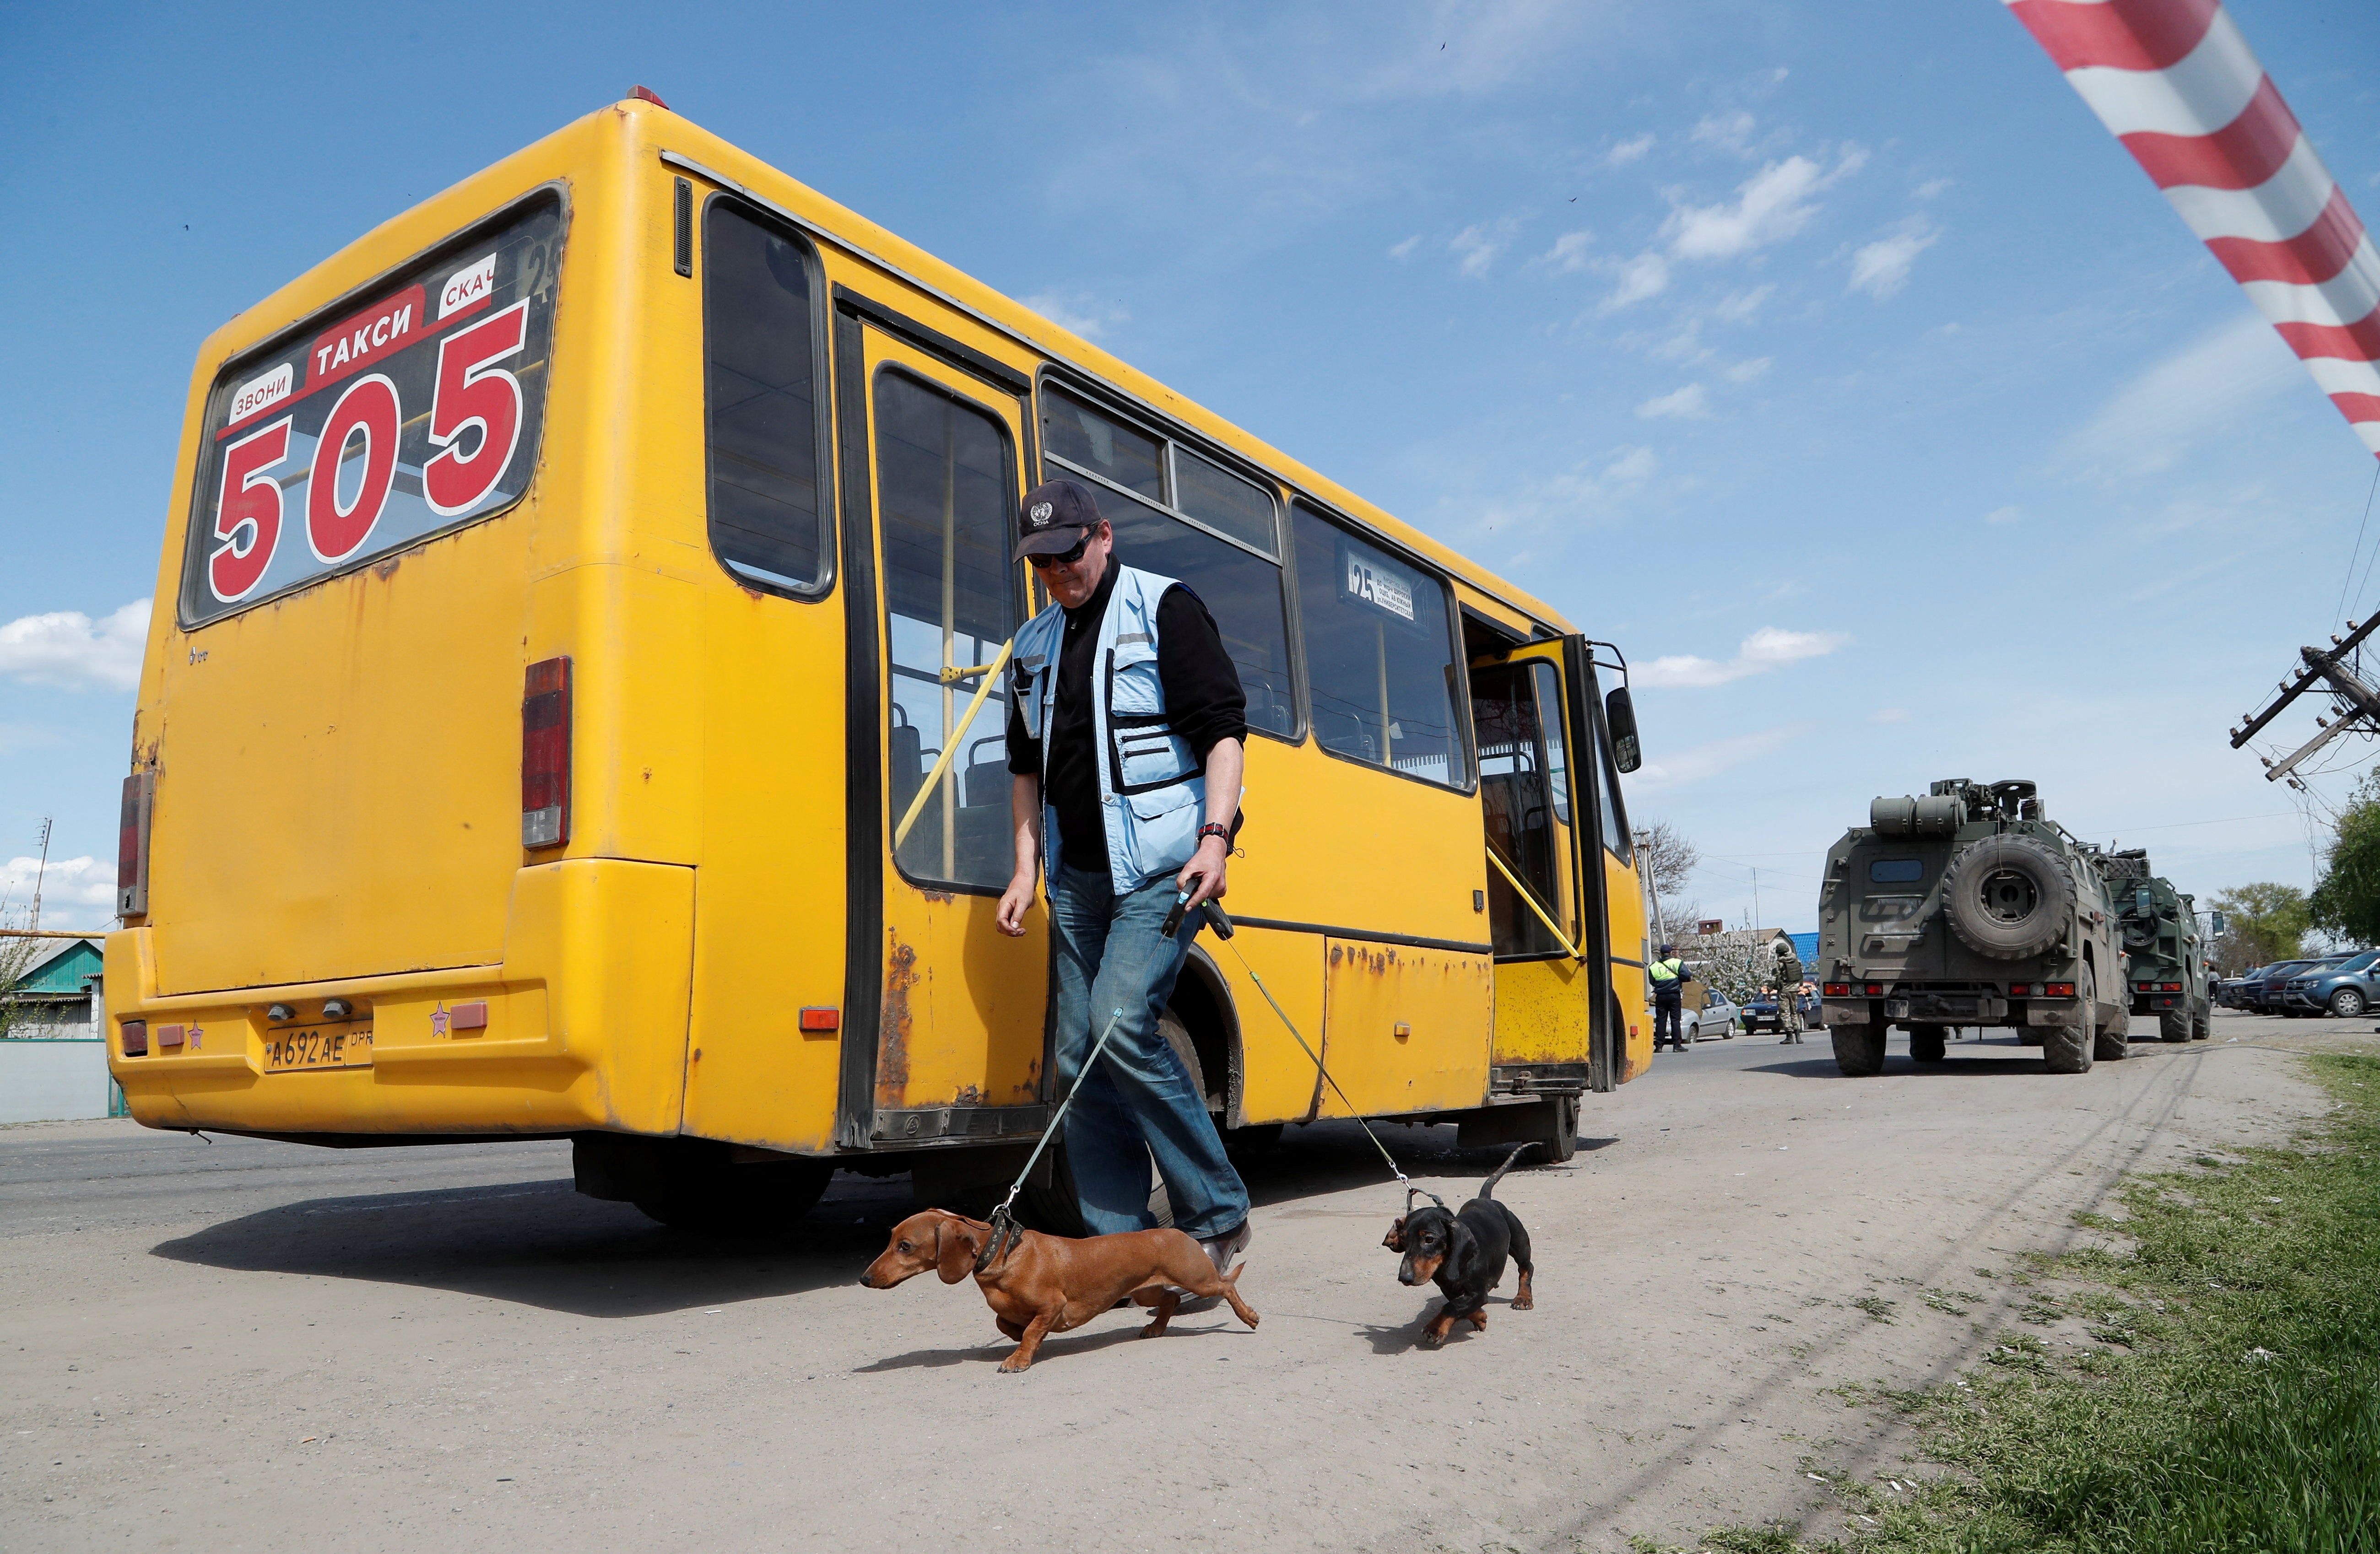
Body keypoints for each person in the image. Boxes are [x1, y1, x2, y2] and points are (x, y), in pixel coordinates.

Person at [995, 477, 1252, 1276]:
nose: (1059, 572)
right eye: (1043, 563)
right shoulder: (1033, 645)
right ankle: (1120, 1244)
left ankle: (1219, 1212)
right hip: (1077, 876)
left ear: (1103, 536)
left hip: (1161, 866)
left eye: (1069, 554)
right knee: (1076, 1054)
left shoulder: (1164, 607)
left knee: (1117, 1019)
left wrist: (1214, 838)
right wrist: (1024, 866)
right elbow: (1024, 769)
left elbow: (1223, 734)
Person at [1649, 944, 1689, 1052]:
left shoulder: (1654, 966)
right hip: (1674, 995)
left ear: (1661, 954)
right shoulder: (1677, 963)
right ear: (1671, 953)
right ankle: (1677, 1045)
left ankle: (1659, 1046)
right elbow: (1687, 975)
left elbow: (1652, 981)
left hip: (1661, 996)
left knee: (1661, 1021)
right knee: (1675, 1020)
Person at [1772, 944, 1806, 1044]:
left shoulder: (1779, 963)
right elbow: (1801, 974)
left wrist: (1770, 988)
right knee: (1794, 1012)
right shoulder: (1797, 961)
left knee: (1785, 1013)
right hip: (1795, 990)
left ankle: (1789, 1037)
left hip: (1784, 991)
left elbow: (1773, 978)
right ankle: (1798, 1037)